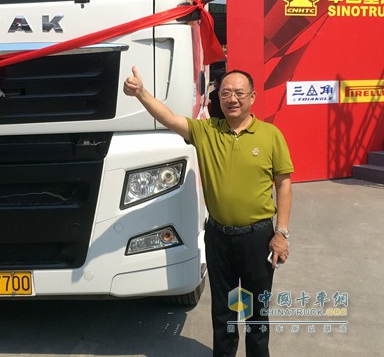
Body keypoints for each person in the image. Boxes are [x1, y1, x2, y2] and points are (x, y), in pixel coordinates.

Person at [123, 67, 293, 357]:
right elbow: (169, 118)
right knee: (224, 310)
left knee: (256, 311)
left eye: (239, 93)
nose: (232, 99)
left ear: (252, 97)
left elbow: (284, 185)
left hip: (257, 238)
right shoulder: (207, 131)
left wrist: (281, 233)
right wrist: (141, 93)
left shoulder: (270, 135)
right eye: (225, 93)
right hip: (219, 237)